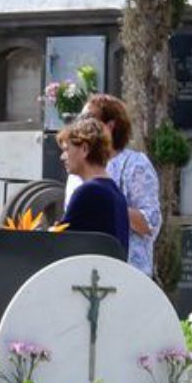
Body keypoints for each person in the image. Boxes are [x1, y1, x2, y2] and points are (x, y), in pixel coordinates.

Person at [79, 93, 161, 278]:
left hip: (128, 273)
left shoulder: (135, 164)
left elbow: (150, 223)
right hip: (86, 270)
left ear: (110, 125)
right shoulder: (79, 164)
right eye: (80, 119)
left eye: (88, 118)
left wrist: (110, 204)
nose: (81, 125)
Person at [57, 117, 130, 259]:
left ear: (84, 149)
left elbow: (61, 244)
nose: (62, 157)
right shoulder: (115, 192)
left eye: (67, 149)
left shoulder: (88, 192)